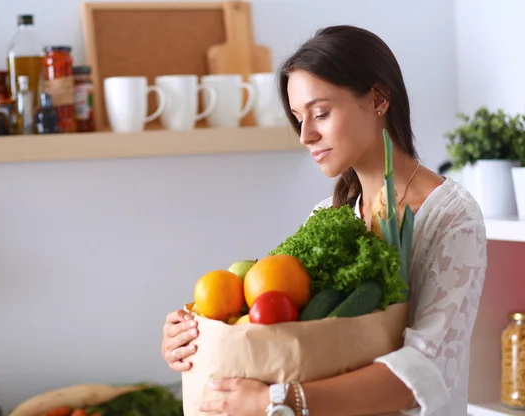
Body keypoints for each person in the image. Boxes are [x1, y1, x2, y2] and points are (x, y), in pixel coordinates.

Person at [161, 25, 487, 416]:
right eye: (299, 118)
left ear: (379, 99)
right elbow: (277, 321)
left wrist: (277, 401)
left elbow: (428, 370)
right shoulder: (329, 215)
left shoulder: (451, 217)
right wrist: (195, 330)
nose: (305, 135)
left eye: (321, 113)